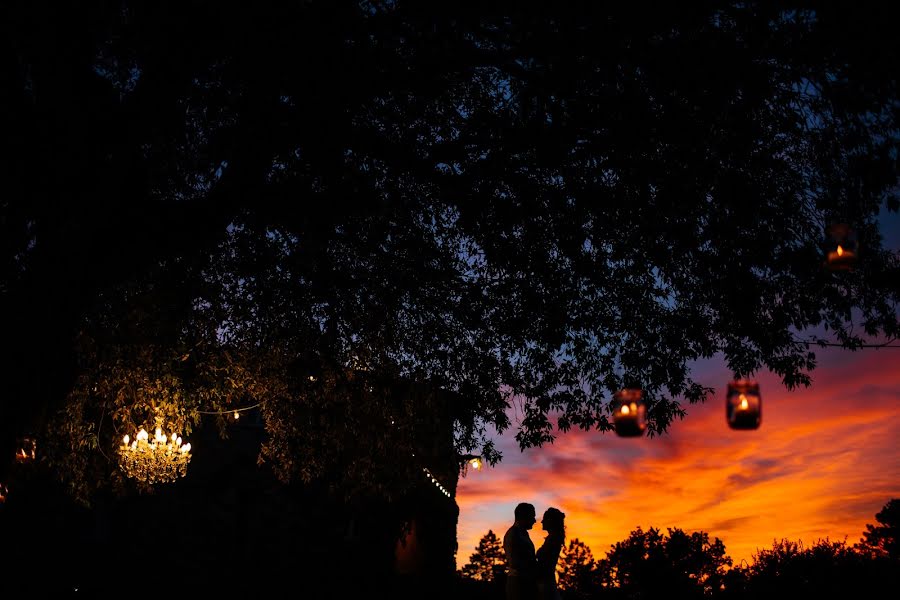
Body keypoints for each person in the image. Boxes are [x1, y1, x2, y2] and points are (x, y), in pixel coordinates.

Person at [503, 502, 537, 600]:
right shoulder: (513, 534)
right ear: (523, 516)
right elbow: (514, 562)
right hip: (518, 585)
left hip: (524, 583)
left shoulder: (523, 533)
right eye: (532, 516)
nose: (534, 520)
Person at [535, 507, 565, 600]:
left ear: (551, 521)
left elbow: (544, 561)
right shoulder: (553, 538)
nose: (542, 522)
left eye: (544, 519)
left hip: (546, 581)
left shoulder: (553, 539)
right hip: (546, 580)